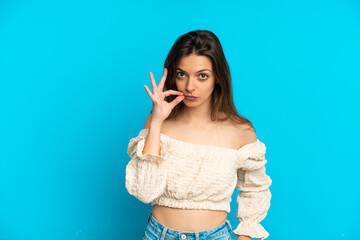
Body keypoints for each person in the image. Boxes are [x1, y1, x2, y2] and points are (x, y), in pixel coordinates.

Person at [125, 30, 272, 240]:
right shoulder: (158, 124)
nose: (190, 87)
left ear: (218, 78)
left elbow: (256, 188)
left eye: (202, 76)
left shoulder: (240, 131)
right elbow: (144, 192)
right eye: (181, 74)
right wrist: (156, 121)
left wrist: (245, 236)